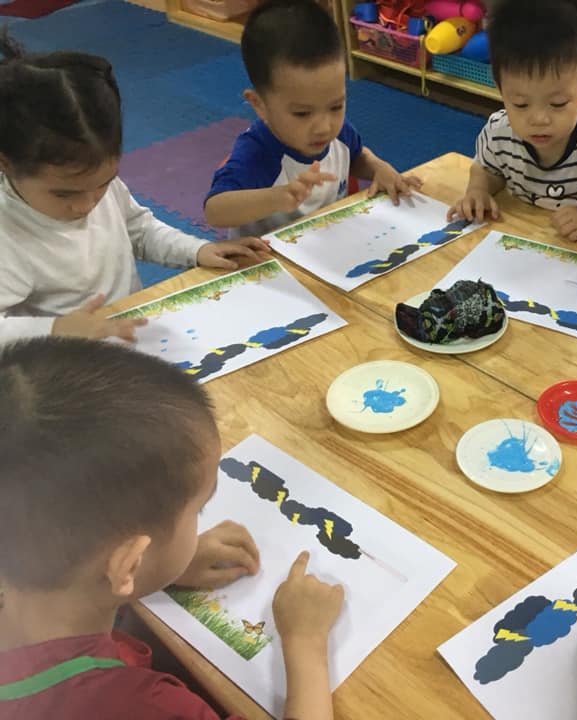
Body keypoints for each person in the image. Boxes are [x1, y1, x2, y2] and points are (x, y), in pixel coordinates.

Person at [0, 337, 343, 720]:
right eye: (199, 509)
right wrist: (305, 643)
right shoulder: (145, 707)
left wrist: (157, 569)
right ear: (129, 563)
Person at [0, 35, 268, 344]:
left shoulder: (95, 185)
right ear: (5, 163)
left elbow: (140, 230)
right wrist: (56, 329)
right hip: (63, 359)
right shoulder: (8, 235)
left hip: (127, 335)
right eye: (64, 194)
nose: (87, 205)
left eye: (103, 183)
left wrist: (196, 250)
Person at [204, 0, 419, 238]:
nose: (324, 127)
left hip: (328, 243)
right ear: (259, 105)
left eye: (336, 106)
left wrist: (379, 168)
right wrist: (278, 197)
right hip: (271, 256)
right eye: (302, 113)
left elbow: (357, 156)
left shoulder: (340, 133)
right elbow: (215, 211)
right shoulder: (257, 153)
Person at [448, 0, 577, 242]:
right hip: (525, 237)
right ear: (500, 89)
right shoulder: (499, 131)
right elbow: (486, 168)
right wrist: (478, 190)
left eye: (558, 103)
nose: (539, 119)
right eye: (520, 104)